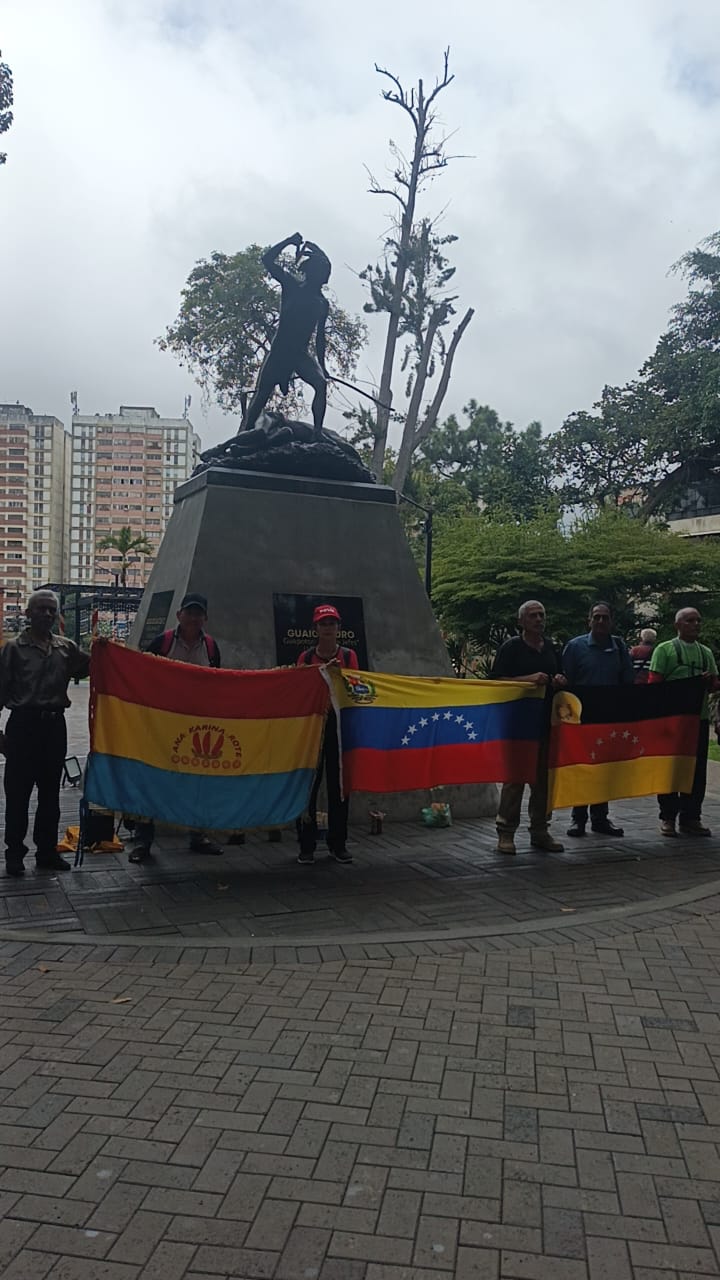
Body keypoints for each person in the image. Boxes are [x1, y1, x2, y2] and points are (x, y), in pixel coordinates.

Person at [128, 592, 224, 863]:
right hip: (161, 726)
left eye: (198, 613)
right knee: (152, 780)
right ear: (179, 614)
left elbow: (218, 684)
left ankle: (198, 836)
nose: (193, 618)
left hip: (196, 727)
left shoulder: (211, 647)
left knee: (198, 781)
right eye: (189, 612)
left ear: (205, 618)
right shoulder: (162, 642)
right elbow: (143, 674)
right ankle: (143, 841)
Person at [0, 590, 90, 877]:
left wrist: (108, 651)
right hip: (23, 727)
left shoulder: (67, 648)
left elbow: (94, 666)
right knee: (18, 795)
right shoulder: (13, 649)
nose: (48, 614)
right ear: (28, 613)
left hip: (54, 728)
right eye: (41, 609)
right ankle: (14, 854)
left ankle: (47, 852)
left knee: (50, 795)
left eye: (52, 609)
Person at [492, 600, 567, 856]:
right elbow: (496, 681)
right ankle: (506, 832)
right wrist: (528, 680)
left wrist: (560, 680)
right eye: (533, 615)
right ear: (521, 621)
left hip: (547, 723)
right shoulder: (511, 647)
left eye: (541, 615)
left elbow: (562, 675)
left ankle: (540, 830)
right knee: (515, 780)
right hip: (518, 725)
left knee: (543, 781)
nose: (538, 619)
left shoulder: (552, 648)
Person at [242, 233, 331, 438]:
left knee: (320, 384)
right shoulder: (292, 286)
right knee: (262, 395)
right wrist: (288, 241)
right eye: (322, 271)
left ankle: (317, 433)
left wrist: (322, 366)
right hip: (279, 352)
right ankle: (245, 433)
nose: (324, 277)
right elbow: (267, 260)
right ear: (312, 272)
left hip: (300, 355)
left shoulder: (321, 303)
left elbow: (320, 338)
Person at [562, 601, 633, 838]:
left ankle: (600, 818)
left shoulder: (619, 647)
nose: (601, 621)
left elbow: (628, 682)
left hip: (609, 720)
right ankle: (578, 818)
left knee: (604, 770)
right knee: (582, 768)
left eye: (605, 617)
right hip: (582, 721)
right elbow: (566, 683)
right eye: (597, 617)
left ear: (612, 620)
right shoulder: (575, 647)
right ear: (589, 620)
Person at [296, 604, 358, 866]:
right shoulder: (306, 657)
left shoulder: (349, 656)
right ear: (315, 628)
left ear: (339, 628)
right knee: (308, 787)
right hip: (312, 728)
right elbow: (297, 690)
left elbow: (356, 688)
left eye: (332, 623)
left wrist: (339, 675)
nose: (328, 628)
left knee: (339, 787)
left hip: (340, 727)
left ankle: (338, 843)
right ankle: (306, 845)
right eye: (323, 624)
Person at [649, 607, 719, 838]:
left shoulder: (705, 653)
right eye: (690, 620)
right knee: (669, 769)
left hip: (698, 721)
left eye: (698, 620)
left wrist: (709, 681)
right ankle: (668, 817)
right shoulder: (664, 650)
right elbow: (654, 684)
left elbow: (715, 685)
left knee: (697, 771)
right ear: (677, 625)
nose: (696, 624)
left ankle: (691, 817)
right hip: (672, 722)